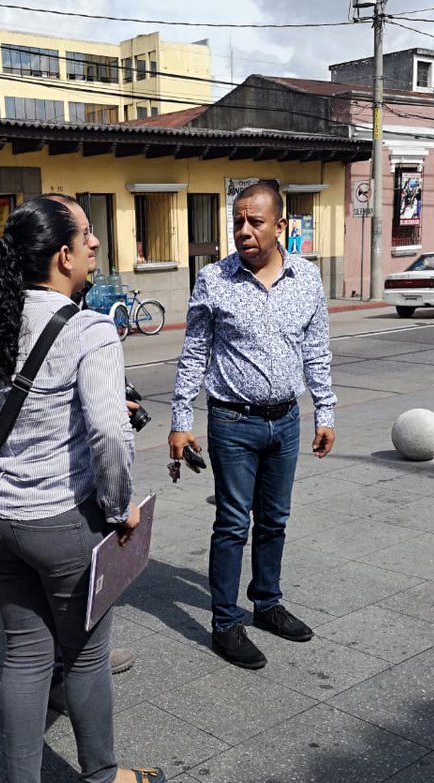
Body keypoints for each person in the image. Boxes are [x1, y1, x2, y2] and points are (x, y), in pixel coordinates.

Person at [0, 197, 164, 783]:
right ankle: (99, 778)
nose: (94, 246)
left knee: (24, 659)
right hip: (65, 526)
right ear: (62, 254)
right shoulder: (88, 331)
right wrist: (121, 510)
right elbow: (111, 436)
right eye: (87, 235)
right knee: (85, 655)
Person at [169, 181, 336, 670]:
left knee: (275, 520)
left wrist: (324, 410)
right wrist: (181, 420)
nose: (243, 230)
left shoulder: (306, 278)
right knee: (232, 524)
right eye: (237, 221)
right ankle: (225, 622)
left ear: (280, 226)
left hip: (286, 421)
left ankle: (266, 603)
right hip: (232, 422)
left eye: (255, 221)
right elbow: (194, 353)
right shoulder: (214, 280)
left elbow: (317, 350)